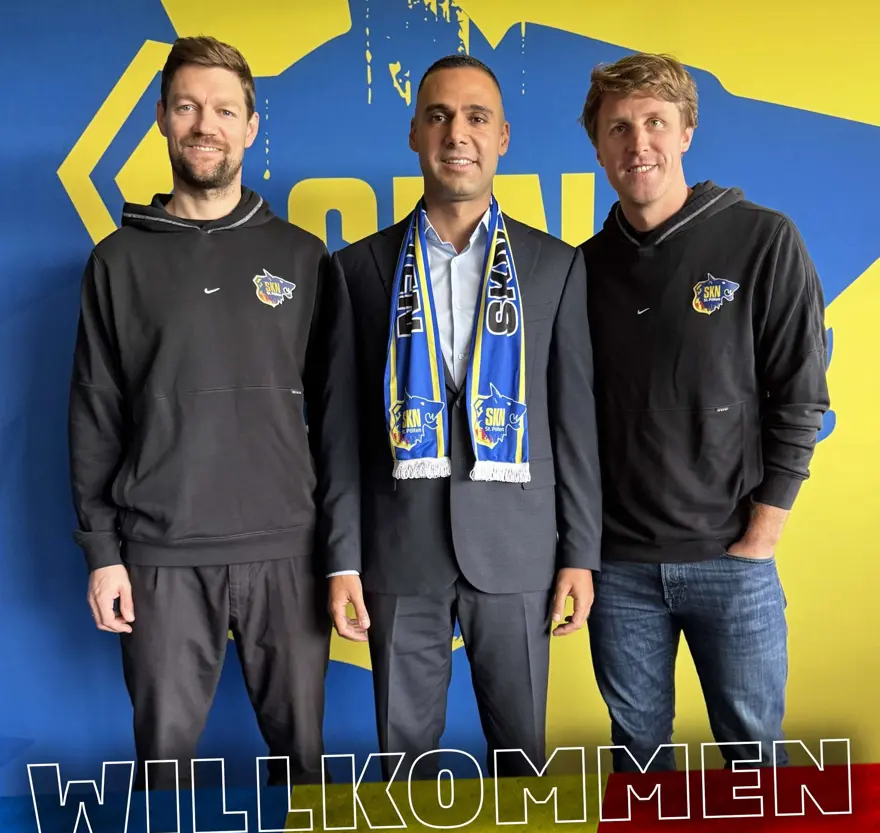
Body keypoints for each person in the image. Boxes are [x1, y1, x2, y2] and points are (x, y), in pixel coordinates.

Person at [67, 36, 357, 790]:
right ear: (162, 118)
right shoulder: (116, 262)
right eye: (188, 107)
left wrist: (341, 555)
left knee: (304, 779)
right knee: (163, 779)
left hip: (288, 553)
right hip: (159, 554)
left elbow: (336, 423)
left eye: (225, 110)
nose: (206, 125)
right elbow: (95, 414)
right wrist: (103, 553)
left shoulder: (302, 258)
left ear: (251, 127)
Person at [327, 54, 602, 782]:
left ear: (502, 137)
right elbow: (342, 434)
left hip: (518, 554)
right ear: (414, 133)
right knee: (402, 774)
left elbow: (574, 426)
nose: (458, 133)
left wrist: (580, 554)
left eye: (477, 117)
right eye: (439, 116)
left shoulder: (554, 267)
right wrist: (343, 559)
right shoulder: (357, 270)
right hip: (397, 554)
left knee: (524, 768)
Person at [577, 52, 830, 772]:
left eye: (656, 123)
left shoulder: (762, 240)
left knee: (755, 760)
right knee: (639, 766)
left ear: (686, 132)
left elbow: (800, 395)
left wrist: (762, 535)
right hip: (619, 570)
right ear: (598, 146)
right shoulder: (581, 268)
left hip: (732, 561)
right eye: (619, 128)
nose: (639, 144)